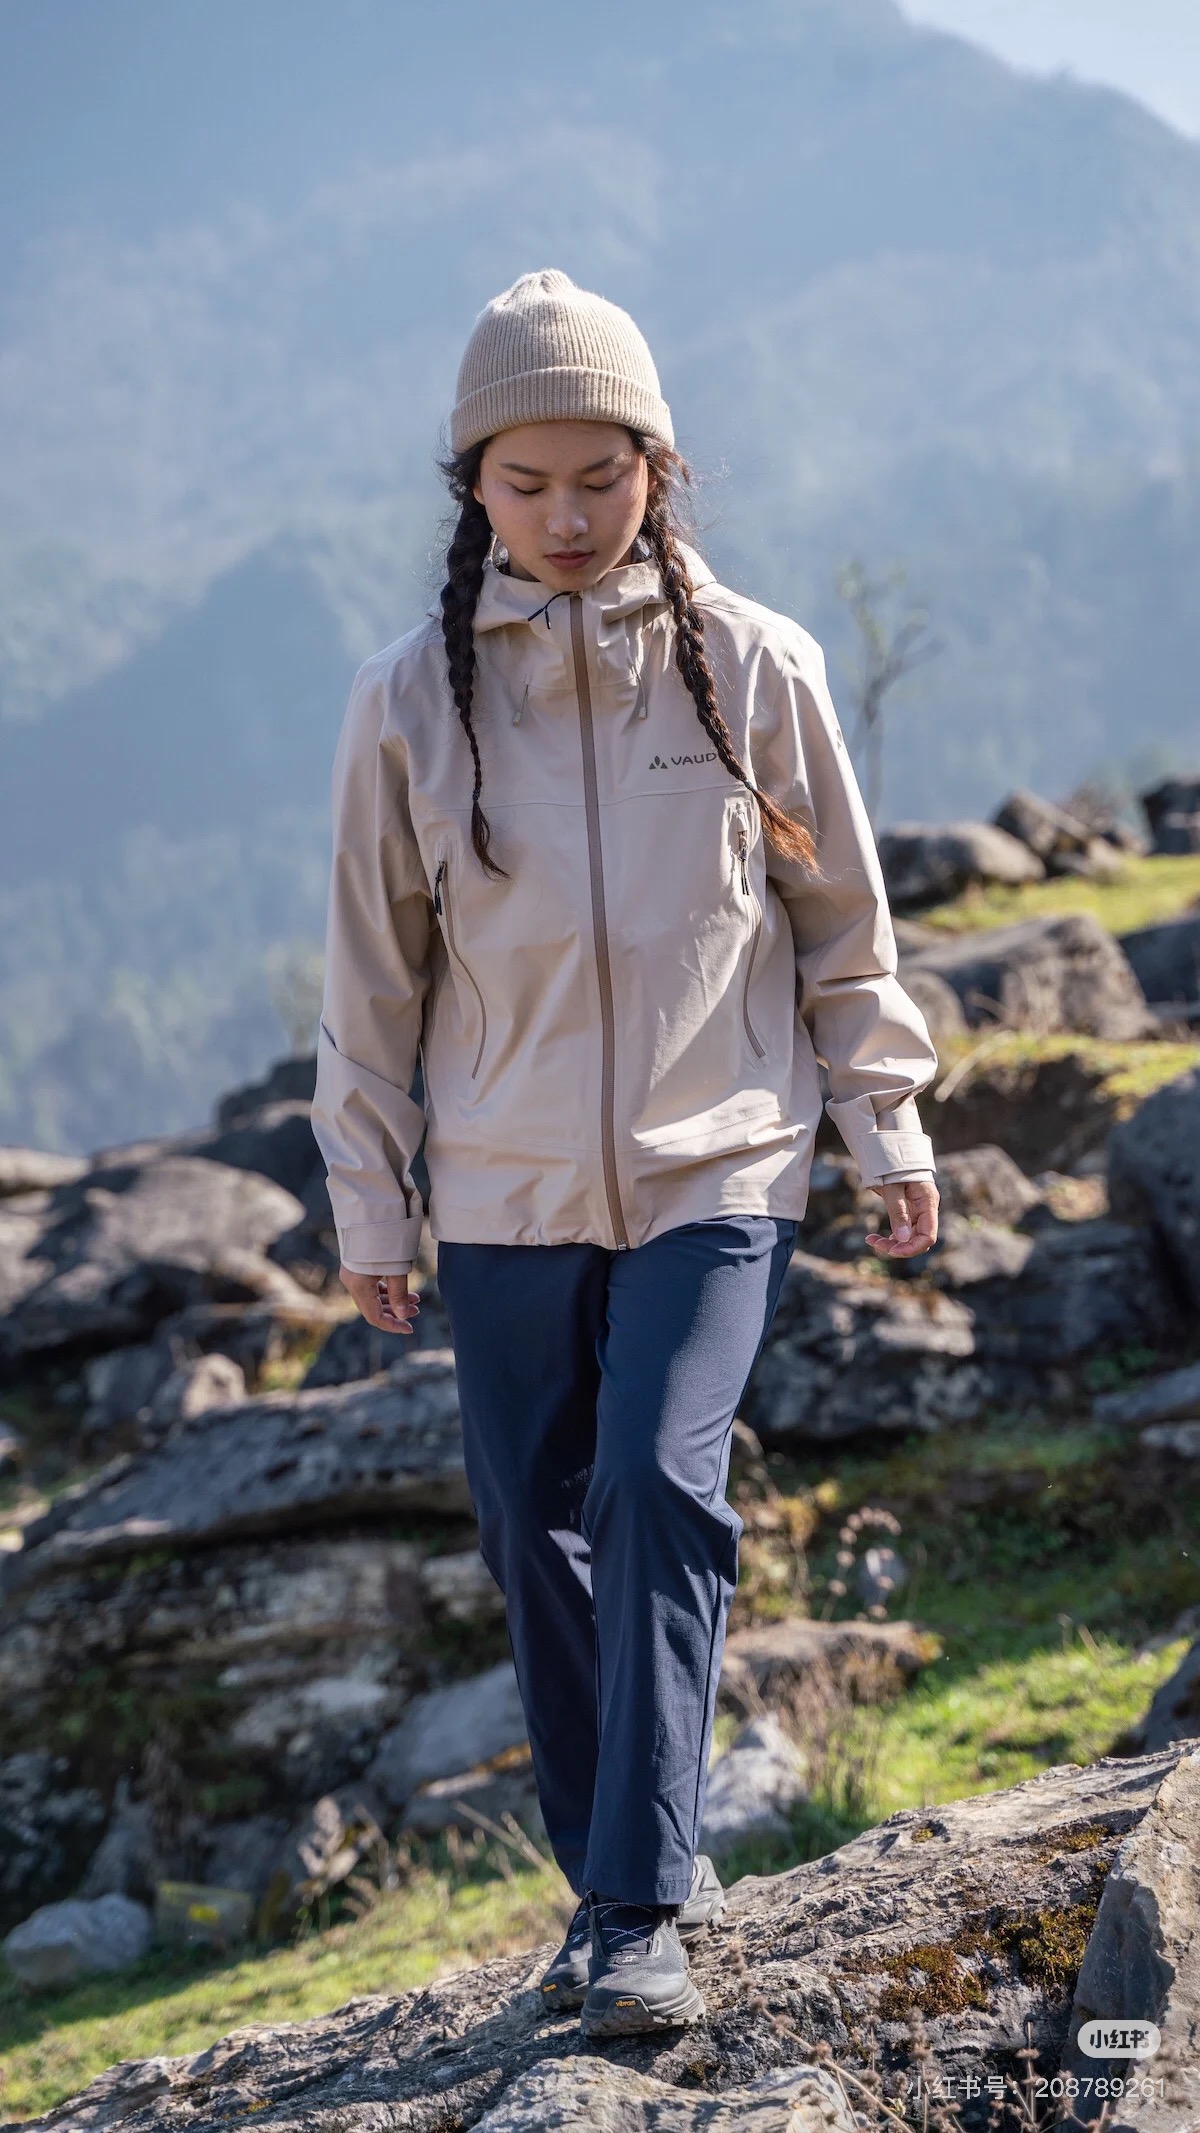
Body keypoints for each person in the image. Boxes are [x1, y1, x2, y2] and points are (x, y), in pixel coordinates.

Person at [311, 268, 940, 2039]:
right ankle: (624, 1857)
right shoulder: (406, 703)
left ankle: (636, 1906)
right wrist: (372, 1199)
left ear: (658, 467)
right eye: (528, 485)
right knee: (534, 1527)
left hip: (718, 1159)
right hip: (503, 1181)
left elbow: (842, 925)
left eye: (604, 477)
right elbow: (372, 980)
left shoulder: (760, 666)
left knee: (656, 1482)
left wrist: (885, 1118)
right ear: (475, 488)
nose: (570, 517)